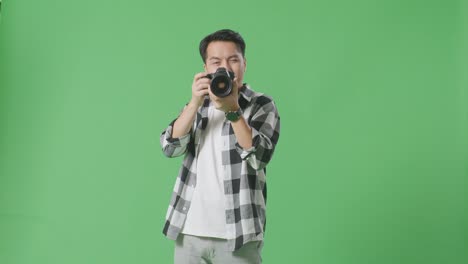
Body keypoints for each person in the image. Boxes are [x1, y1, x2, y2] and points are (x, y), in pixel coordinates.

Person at [160, 29, 280, 264]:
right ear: (206, 68)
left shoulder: (261, 105)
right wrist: (194, 103)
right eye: (216, 62)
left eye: (233, 60)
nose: (225, 67)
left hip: (238, 233)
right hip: (189, 231)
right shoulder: (198, 106)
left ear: (244, 63)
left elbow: (259, 157)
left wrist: (233, 111)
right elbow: (169, 147)